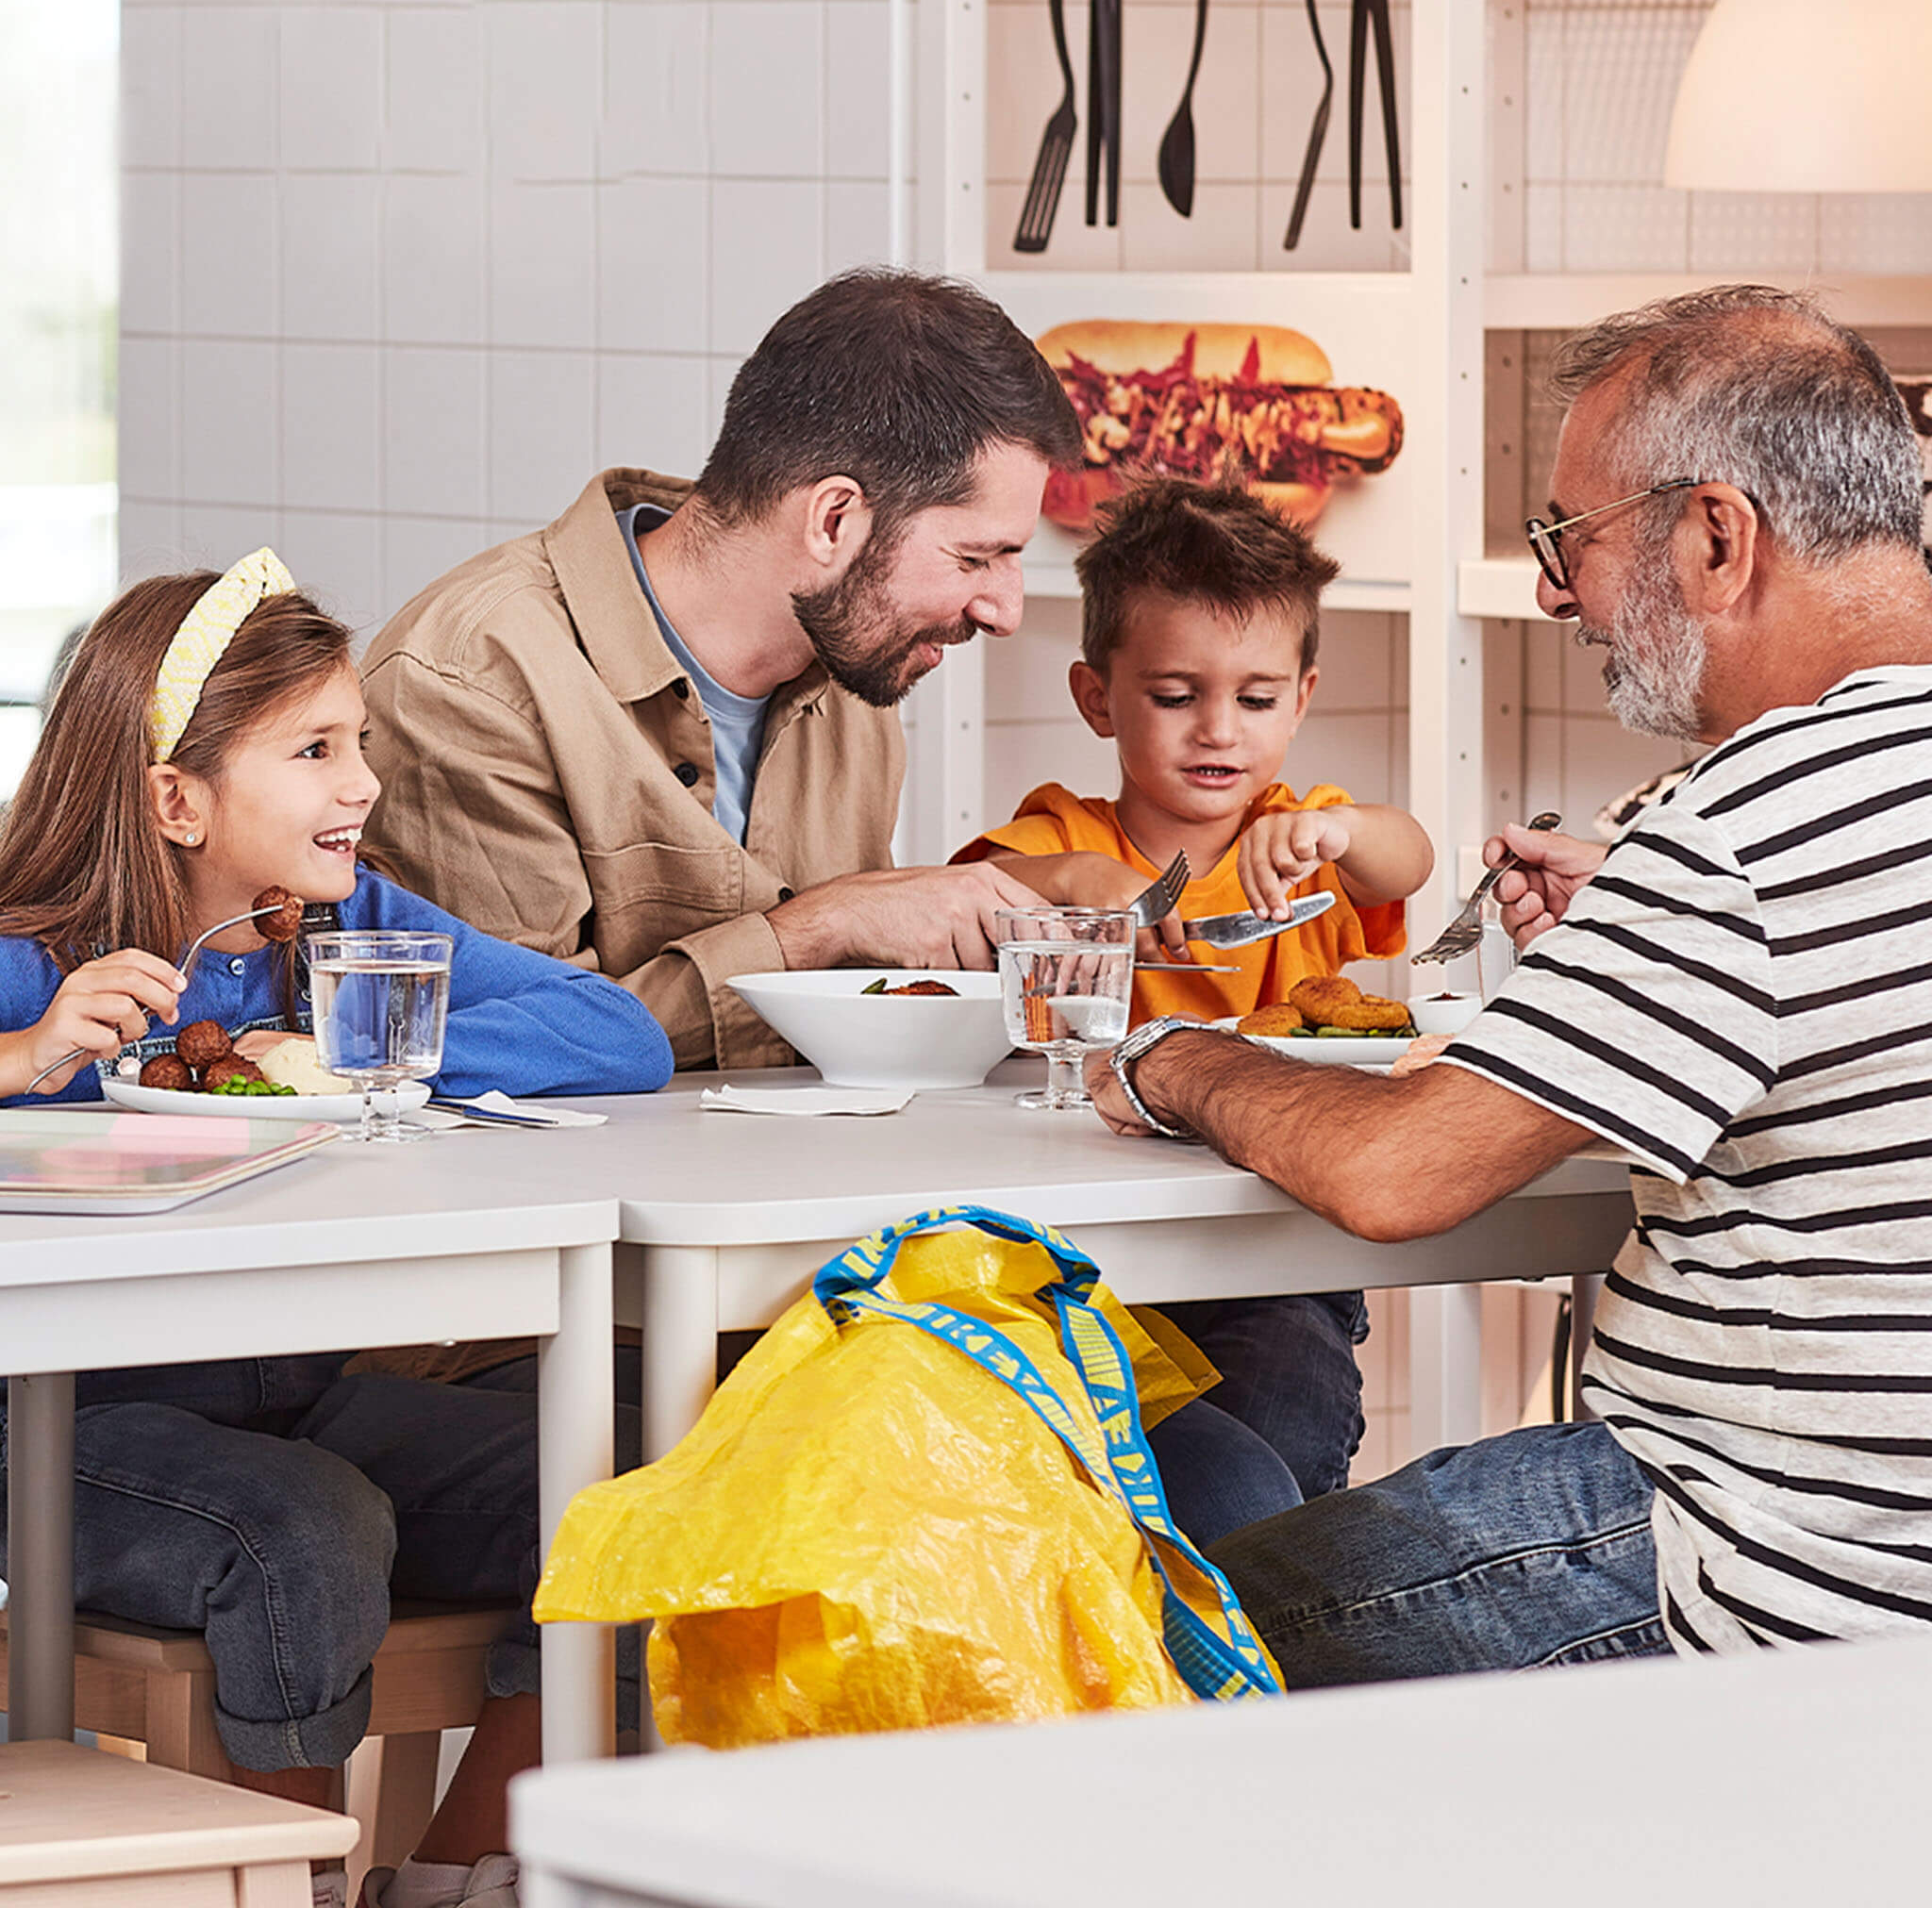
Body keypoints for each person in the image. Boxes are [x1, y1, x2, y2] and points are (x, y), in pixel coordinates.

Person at [1084, 284, 1932, 1681]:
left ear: (1718, 536)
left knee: (1116, 1632)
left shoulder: (1744, 827)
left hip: (1757, 1566)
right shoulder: (1808, 813)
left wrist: (1172, 1062)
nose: (1553, 591)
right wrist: (1638, 940)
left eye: (1570, 540)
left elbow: (1398, 1177)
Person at [0, 556, 674, 1908]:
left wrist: (349, 1044)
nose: (361, 783)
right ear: (175, 797)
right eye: (315, 749)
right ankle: (278, 1889)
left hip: (281, 1401)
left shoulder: (343, 927)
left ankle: (450, 1882)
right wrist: (19, 1056)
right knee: (300, 1531)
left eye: (356, 741)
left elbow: (621, 1032)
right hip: (52, 1437)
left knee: (636, 1476)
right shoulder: (38, 950)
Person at [360, 268, 1085, 1070]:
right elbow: (500, 1047)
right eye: (975, 557)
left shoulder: (854, 662)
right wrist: (821, 927)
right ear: (833, 520)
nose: (1004, 611)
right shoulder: (468, 680)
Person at [955, 472, 1432, 1517]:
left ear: (1300, 699)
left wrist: (1339, 835)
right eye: (1174, 695)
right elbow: (978, 892)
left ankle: (1259, 1640)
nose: (1217, 730)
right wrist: (1079, 885)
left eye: (1255, 699)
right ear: (1096, 697)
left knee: (1282, 1442)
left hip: (1276, 1236)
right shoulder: (1064, 836)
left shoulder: (1304, 843)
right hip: (1087, 1244)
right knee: (1151, 1490)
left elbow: (1407, 861)